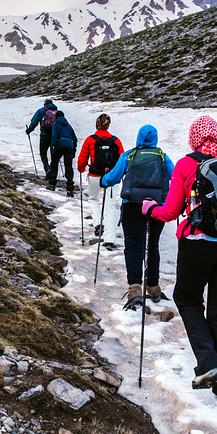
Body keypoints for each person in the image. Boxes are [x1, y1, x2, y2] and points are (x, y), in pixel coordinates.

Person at [142, 114, 217, 407]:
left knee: (187, 298)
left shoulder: (187, 164)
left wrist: (150, 210)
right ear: (216, 135)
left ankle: (207, 362)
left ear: (194, 136)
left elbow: (171, 210)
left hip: (197, 246)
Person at [101, 124, 174, 308]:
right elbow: (174, 175)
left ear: (139, 137)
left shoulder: (130, 155)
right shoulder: (162, 156)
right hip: (157, 207)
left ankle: (135, 288)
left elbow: (112, 178)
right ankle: (153, 287)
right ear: (155, 138)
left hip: (132, 206)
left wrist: (103, 180)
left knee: (134, 246)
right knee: (153, 245)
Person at [77, 114, 124, 249]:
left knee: (93, 200)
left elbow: (82, 159)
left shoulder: (90, 140)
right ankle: (109, 239)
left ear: (97, 124)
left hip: (94, 175)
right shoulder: (116, 141)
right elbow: (122, 159)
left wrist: (81, 169)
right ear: (108, 125)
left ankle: (98, 224)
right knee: (109, 205)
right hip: (111, 176)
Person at [47, 109, 77, 196]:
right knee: (68, 166)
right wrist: (73, 149)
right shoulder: (68, 126)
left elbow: (54, 136)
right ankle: (70, 188)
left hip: (59, 145)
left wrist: (53, 146)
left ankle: (52, 184)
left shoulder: (55, 125)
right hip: (69, 146)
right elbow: (75, 138)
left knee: (54, 163)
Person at [25, 98, 58, 177]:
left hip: (44, 135)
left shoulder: (41, 111)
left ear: (45, 104)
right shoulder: (57, 112)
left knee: (43, 153)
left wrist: (29, 130)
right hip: (55, 135)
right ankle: (53, 170)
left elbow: (34, 122)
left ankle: (47, 168)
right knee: (53, 153)